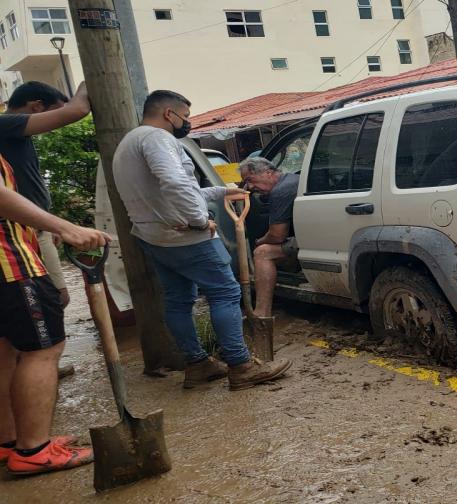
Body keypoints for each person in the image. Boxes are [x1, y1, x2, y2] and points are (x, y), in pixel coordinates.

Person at [112, 90, 291, 390]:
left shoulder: (129, 142)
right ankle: (241, 366)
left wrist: (221, 192)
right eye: (185, 116)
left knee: (178, 299)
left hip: (153, 236)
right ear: (169, 114)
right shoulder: (158, 139)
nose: (187, 121)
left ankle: (197, 364)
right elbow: (174, 183)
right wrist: (198, 220)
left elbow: (166, 190)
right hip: (185, 236)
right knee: (225, 292)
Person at [0, 154, 111, 476]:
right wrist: (64, 226)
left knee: (5, 351)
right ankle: (33, 449)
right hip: (11, 266)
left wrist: (43, 225)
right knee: (42, 350)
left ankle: (9, 440)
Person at [0, 81, 93, 309]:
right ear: (37, 107)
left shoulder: (17, 134)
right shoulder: (5, 124)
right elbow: (78, 110)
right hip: (17, 231)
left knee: (53, 297)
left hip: (36, 226)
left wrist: (49, 224)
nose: (54, 124)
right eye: (54, 112)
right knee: (49, 299)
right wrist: (87, 84)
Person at [237, 157, 298, 317]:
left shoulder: (281, 191)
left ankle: (261, 314)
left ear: (268, 172)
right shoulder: (292, 179)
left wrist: (259, 241)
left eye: (250, 180)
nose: (250, 187)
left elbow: (277, 236)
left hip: (307, 242)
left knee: (262, 252)